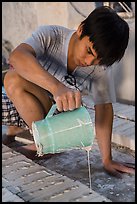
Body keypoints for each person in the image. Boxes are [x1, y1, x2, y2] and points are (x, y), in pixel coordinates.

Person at [2, 6, 135, 177]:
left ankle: (47, 144)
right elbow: (17, 56)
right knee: (13, 79)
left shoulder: (99, 70)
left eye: (97, 60)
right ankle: (16, 131)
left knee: (14, 80)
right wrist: (57, 87)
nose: (89, 61)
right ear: (80, 30)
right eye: (89, 51)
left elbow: (104, 109)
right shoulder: (51, 36)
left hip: (57, 120)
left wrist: (107, 160)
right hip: (24, 106)